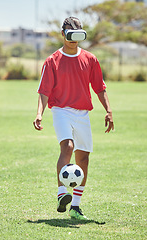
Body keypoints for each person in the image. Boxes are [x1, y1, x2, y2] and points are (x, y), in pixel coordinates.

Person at [33, 17, 114, 220]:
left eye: (78, 35)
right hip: (61, 110)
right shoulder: (52, 61)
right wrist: (39, 113)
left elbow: (99, 88)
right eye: (70, 34)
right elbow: (44, 91)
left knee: (84, 158)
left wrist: (109, 111)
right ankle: (62, 193)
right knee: (67, 147)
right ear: (63, 34)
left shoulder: (90, 59)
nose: (73, 39)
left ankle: (75, 207)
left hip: (82, 113)